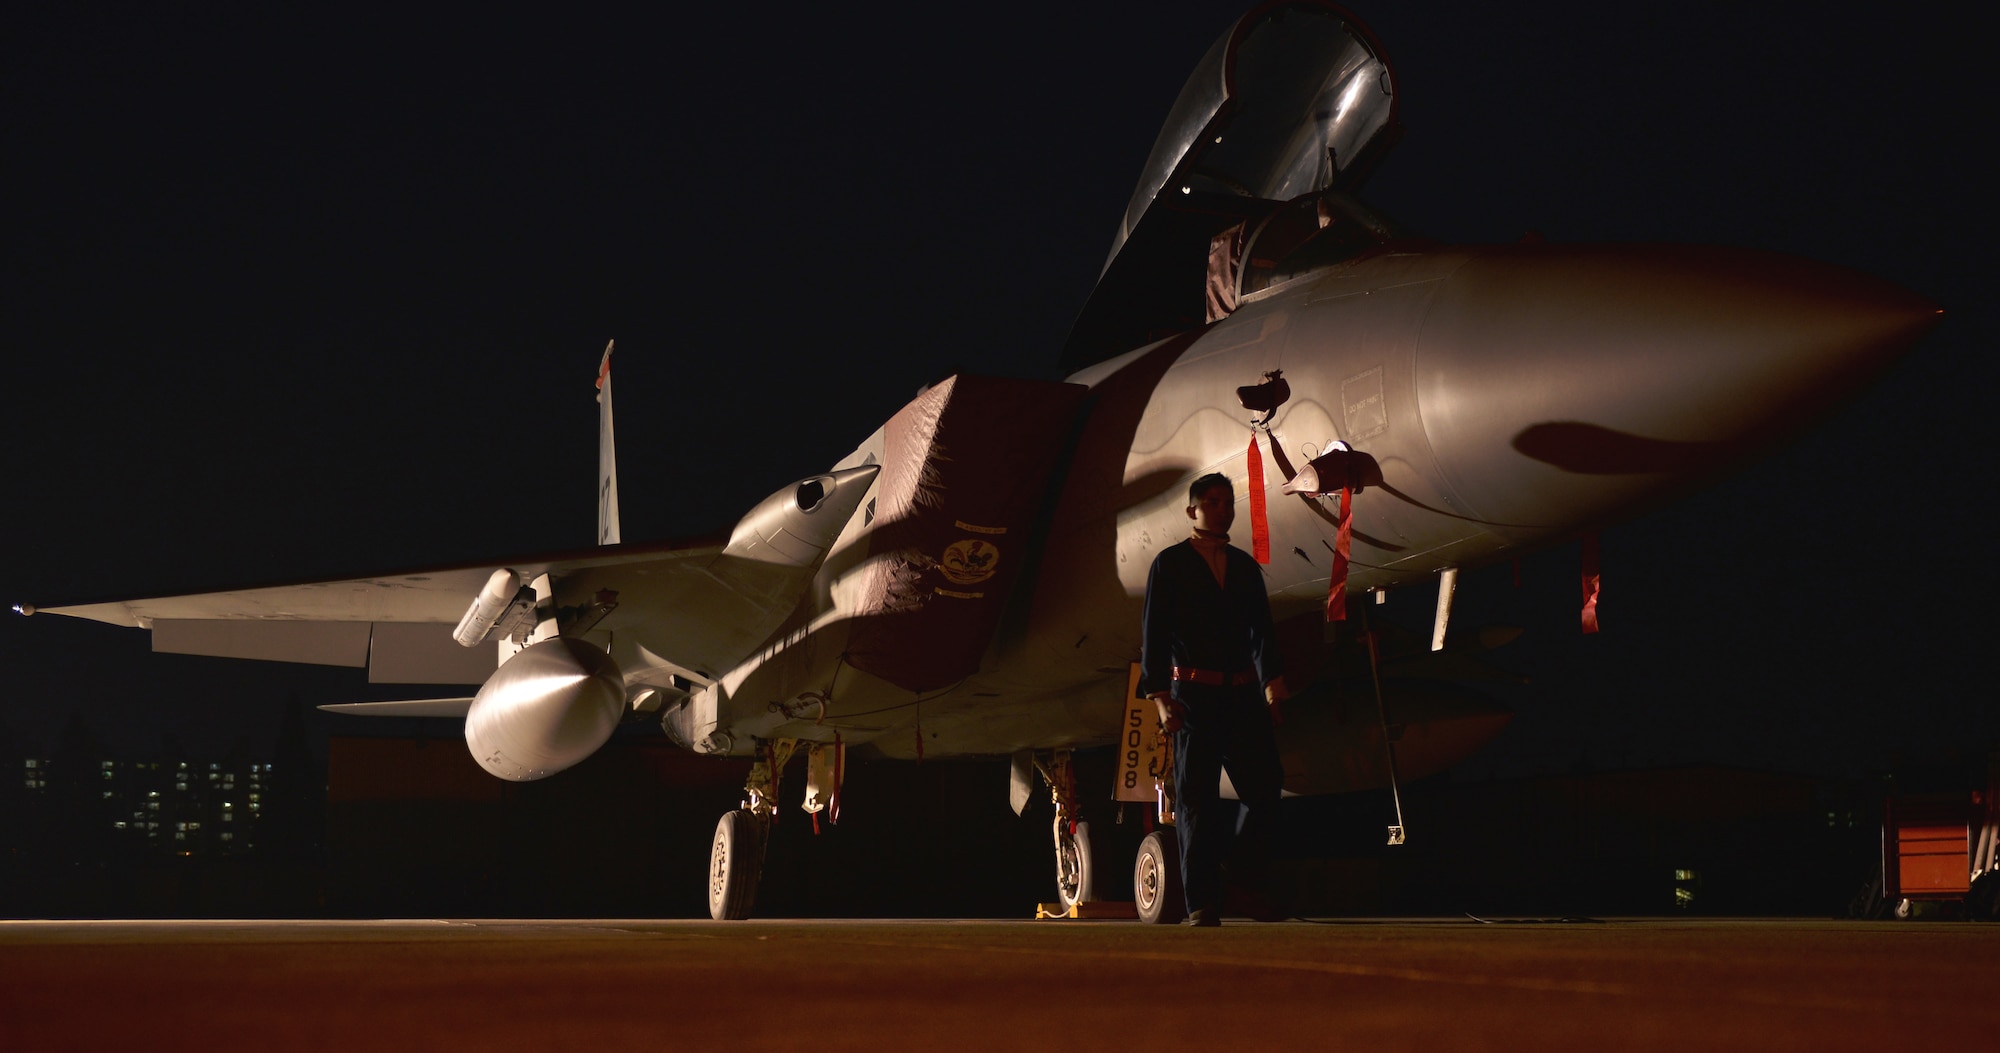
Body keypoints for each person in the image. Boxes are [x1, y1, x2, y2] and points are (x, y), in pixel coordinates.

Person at [1139, 472, 1289, 926]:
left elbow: (1261, 630)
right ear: (1192, 511)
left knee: (1265, 789)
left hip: (1243, 695)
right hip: (1192, 698)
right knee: (1195, 803)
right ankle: (1201, 904)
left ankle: (1241, 879)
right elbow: (1154, 635)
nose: (1224, 509)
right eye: (1213, 502)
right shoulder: (1168, 564)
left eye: (1228, 502)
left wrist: (1273, 686)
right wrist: (1161, 699)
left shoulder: (1244, 566)